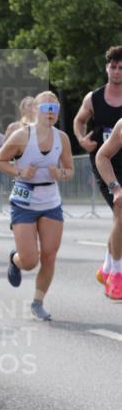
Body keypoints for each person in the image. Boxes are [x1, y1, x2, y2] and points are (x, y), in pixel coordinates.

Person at [0, 91, 74, 321]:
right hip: (23, 200)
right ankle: (16, 259)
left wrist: (61, 172)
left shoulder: (63, 138)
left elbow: (70, 170)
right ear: (34, 111)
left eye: (54, 109)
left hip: (50, 200)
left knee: (49, 256)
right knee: (30, 261)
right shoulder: (22, 135)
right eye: (45, 108)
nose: (50, 113)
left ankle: (37, 302)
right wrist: (19, 171)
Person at [73, 46, 122, 287]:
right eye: (113, 67)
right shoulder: (94, 98)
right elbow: (79, 120)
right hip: (104, 161)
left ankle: (106, 268)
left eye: (121, 68)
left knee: (120, 218)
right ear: (106, 68)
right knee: (119, 213)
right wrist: (81, 139)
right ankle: (115, 274)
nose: (116, 71)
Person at [94, 118, 122, 301]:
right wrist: (116, 188)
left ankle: (106, 268)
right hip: (115, 176)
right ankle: (117, 274)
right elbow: (101, 156)